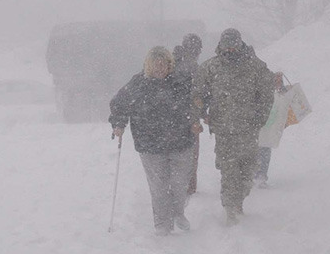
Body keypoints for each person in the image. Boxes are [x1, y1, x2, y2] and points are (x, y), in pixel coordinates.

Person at [109, 46, 198, 236]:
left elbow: (197, 101)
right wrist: (118, 123)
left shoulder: (181, 82)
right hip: (150, 145)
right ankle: (161, 224)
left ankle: (178, 213)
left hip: (181, 141)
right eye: (155, 66)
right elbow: (119, 104)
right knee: (158, 187)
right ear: (148, 66)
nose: (160, 69)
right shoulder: (138, 84)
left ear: (169, 64)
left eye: (163, 65)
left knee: (180, 184)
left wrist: (197, 118)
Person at [191, 28, 275, 226]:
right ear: (220, 45)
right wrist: (200, 115)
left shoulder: (255, 66)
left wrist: (259, 118)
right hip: (223, 129)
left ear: (240, 44)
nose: (230, 48)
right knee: (229, 171)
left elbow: (266, 94)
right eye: (226, 44)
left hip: (249, 128)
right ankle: (230, 208)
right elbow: (197, 95)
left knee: (247, 172)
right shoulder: (210, 67)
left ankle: (239, 201)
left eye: (233, 44)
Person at [172, 33, 203, 195]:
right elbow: (197, 94)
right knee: (191, 153)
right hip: (189, 116)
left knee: (174, 152)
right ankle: (189, 186)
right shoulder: (192, 66)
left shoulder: (171, 62)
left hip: (170, 117)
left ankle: (176, 184)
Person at [255, 71, 287, 189]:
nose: (278, 83)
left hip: (270, 128)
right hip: (260, 126)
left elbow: (285, 105)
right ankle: (254, 176)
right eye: (276, 80)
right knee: (257, 150)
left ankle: (261, 177)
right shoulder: (264, 91)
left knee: (265, 151)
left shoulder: (282, 93)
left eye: (280, 81)